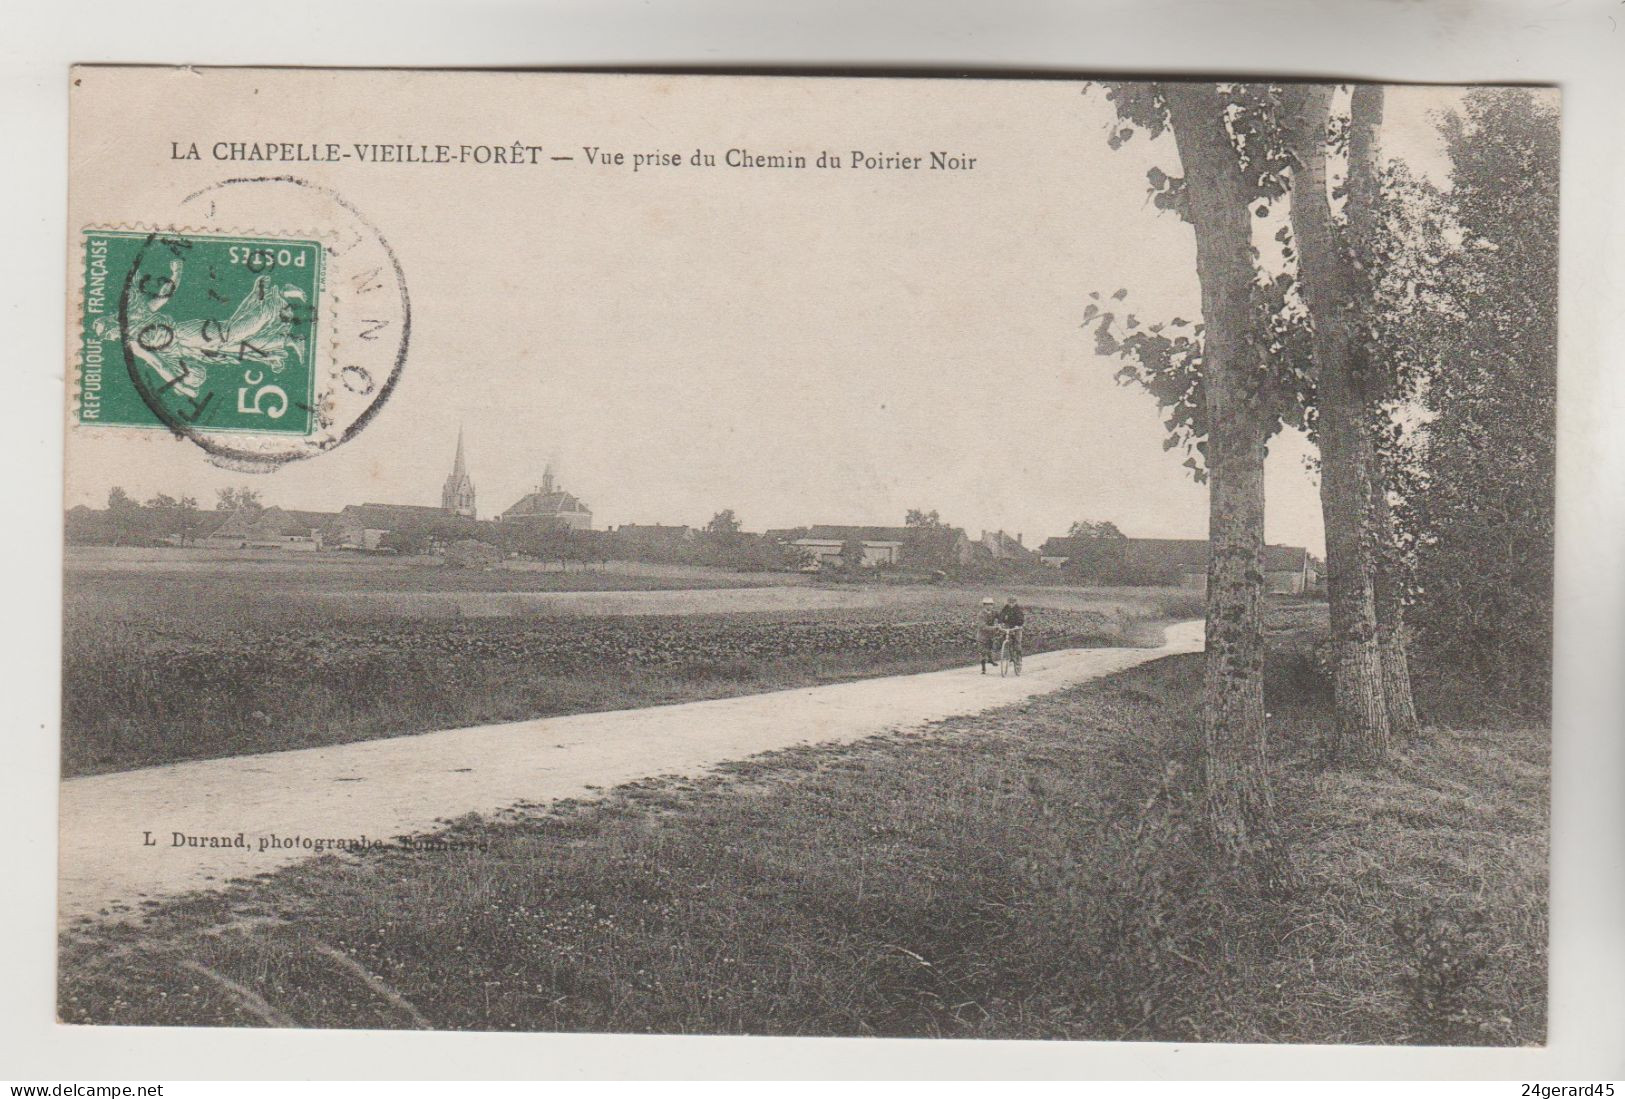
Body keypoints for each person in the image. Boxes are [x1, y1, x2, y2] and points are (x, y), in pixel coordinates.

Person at [996, 596, 1025, 670]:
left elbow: (1021, 619)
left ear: (1015, 602)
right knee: (1005, 638)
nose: (1011, 604)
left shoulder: (1018, 609)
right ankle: (1009, 656)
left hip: (1017, 627)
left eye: (1013, 602)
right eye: (1010, 602)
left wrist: (1017, 626)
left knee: (1017, 642)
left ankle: (1018, 660)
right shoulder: (1006, 608)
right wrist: (999, 623)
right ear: (1008, 602)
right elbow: (1001, 615)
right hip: (1008, 626)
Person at [976, 597, 1000, 673]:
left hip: (991, 635)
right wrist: (994, 628)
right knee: (983, 651)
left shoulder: (993, 612)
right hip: (982, 635)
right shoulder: (981, 614)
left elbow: (1000, 617)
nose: (989, 606)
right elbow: (982, 626)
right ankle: (983, 669)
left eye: (991, 604)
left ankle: (990, 660)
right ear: (984, 605)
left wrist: (1001, 622)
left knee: (989, 648)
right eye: (987, 605)